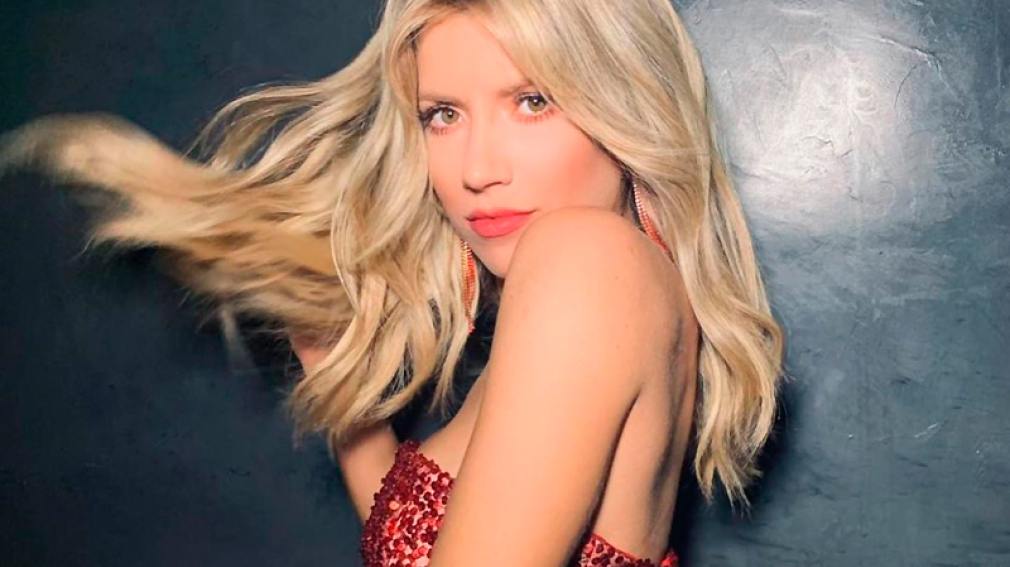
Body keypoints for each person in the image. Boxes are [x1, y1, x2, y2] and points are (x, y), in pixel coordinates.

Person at [0, 0, 785, 565]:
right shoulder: (629, 280)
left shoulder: (586, 261)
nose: (478, 169)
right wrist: (352, 414)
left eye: (532, 101)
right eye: (442, 114)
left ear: (624, 105)